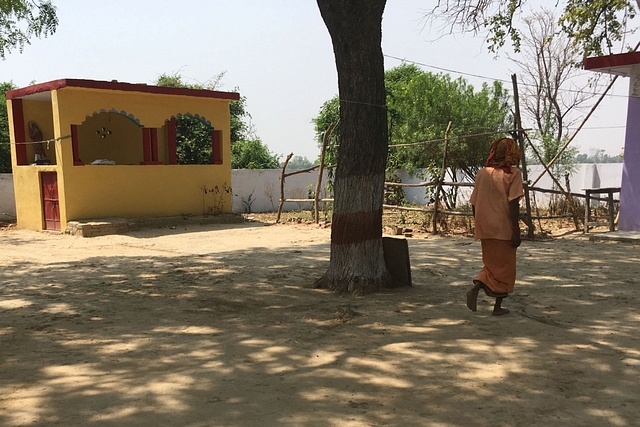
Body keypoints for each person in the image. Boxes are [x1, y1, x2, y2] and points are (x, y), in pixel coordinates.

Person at [466, 137, 524, 316]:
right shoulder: (513, 174)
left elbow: (474, 203)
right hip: (503, 227)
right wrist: (515, 229)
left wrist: (480, 223)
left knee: (491, 264)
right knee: (505, 269)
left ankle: (477, 286)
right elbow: (513, 203)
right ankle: (497, 307)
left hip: (485, 227)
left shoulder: (482, 173)